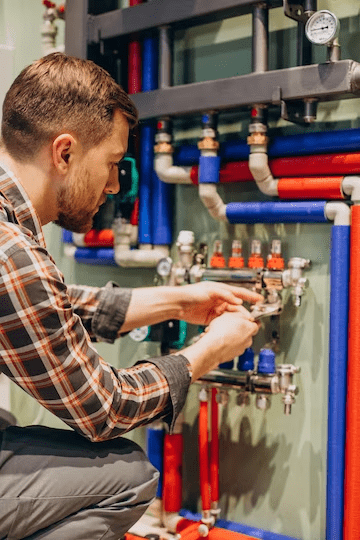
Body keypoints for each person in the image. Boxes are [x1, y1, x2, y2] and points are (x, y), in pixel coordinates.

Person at [0, 53, 260, 540]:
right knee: (128, 476)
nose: (117, 184)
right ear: (64, 153)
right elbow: (104, 409)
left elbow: (48, 306)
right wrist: (208, 351)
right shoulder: (12, 251)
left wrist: (179, 300)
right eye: (114, 163)